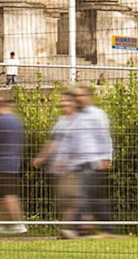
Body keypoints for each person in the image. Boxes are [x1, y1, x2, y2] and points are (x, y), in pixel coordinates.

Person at [45, 86, 111, 237]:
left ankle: (78, 229)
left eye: (79, 95)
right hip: (77, 164)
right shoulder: (75, 117)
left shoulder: (97, 114)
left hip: (92, 161)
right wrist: (63, 160)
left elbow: (104, 137)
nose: (77, 98)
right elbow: (69, 141)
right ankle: (99, 229)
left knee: (85, 197)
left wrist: (106, 157)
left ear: (88, 96)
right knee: (91, 197)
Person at [0, 95, 30, 225]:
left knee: (8, 195)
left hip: (1, 163)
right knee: (2, 195)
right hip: (13, 162)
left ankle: (19, 224)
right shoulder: (16, 121)